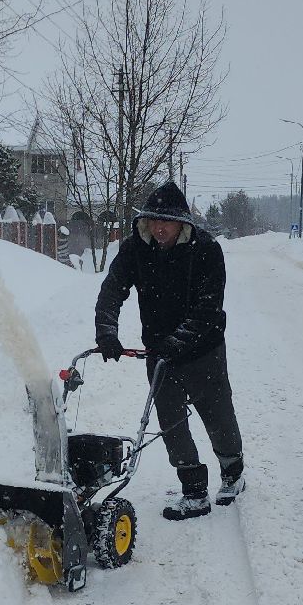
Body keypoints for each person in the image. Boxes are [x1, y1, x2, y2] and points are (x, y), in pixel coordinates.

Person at [94, 181, 245, 521]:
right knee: (170, 422)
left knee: (217, 414)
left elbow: (209, 307)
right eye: (154, 220)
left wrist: (178, 340)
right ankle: (193, 489)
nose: (160, 227)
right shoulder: (136, 248)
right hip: (160, 354)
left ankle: (233, 471)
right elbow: (112, 289)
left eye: (167, 221)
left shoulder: (206, 250)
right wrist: (106, 330)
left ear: (183, 223)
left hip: (203, 350)